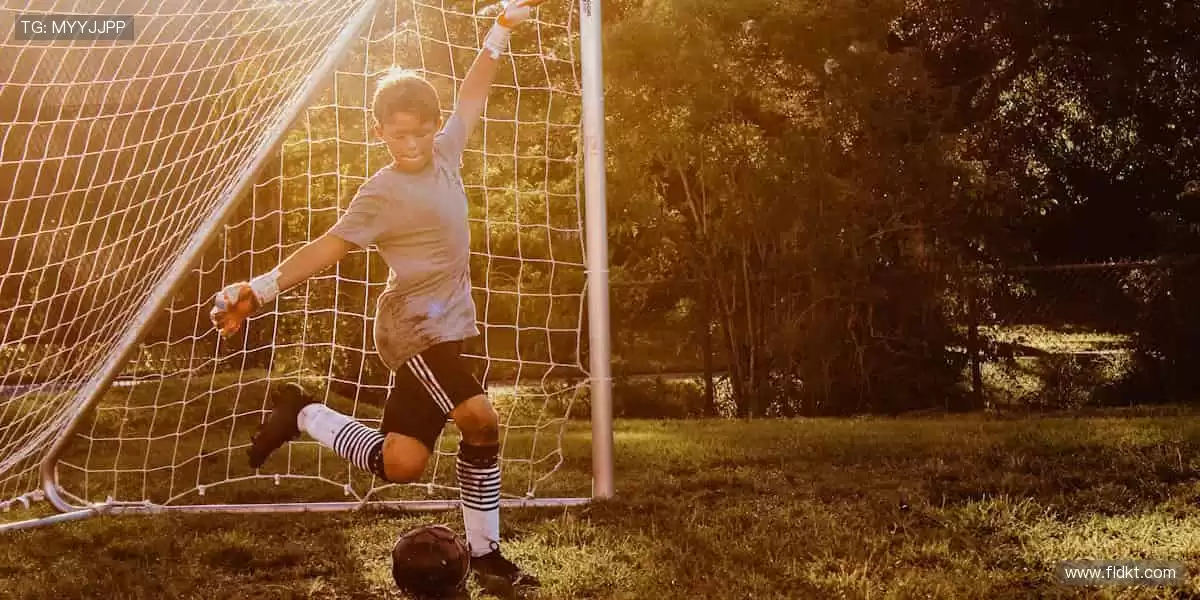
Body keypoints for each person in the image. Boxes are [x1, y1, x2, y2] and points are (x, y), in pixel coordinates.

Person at [209, 0, 546, 591]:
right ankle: (486, 553)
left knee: (403, 463)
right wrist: (256, 290)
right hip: (414, 330)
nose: (411, 141)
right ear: (380, 132)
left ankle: (302, 413)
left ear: (431, 128)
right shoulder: (380, 193)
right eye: (398, 133)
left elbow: (471, 96)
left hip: (453, 326)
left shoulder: (447, 155)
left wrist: (499, 30)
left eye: (420, 130)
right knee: (482, 422)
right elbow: (328, 247)